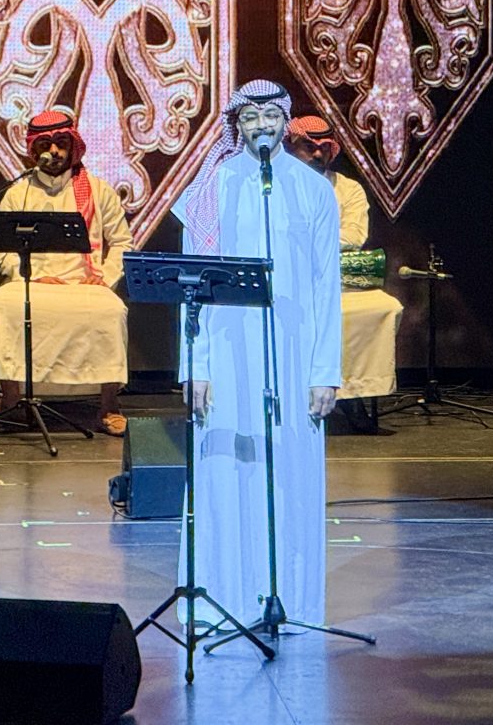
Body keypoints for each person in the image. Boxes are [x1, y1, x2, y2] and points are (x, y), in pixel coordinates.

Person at [175, 80, 341, 635]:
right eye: (251, 118)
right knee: (229, 467)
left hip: (292, 354)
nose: (262, 126)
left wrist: (325, 371)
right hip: (225, 347)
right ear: (237, 125)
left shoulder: (315, 192)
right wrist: (193, 365)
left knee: (288, 471)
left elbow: (326, 287)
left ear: (286, 122)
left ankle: (288, 598)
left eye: (272, 115)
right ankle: (223, 595)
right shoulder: (211, 187)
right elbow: (191, 288)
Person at [0, 108, 135, 435]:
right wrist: (26, 273)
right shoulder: (19, 192)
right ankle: (9, 399)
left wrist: (103, 277)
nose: (55, 152)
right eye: (47, 145)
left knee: (111, 310)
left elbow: (122, 242)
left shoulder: (99, 190)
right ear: (34, 151)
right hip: (31, 281)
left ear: (73, 145)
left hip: (85, 284)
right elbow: (3, 249)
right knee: (1, 304)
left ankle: (109, 405)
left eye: (62, 143)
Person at [285, 116, 402, 417]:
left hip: (334, 280)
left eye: (324, 148)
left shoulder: (348, 190)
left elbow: (352, 237)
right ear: (289, 145)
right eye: (309, 147)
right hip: (284, 281)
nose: (318, 154)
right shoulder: (275, 186)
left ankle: (353, 391)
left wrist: (300, 238)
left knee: (383, 308)